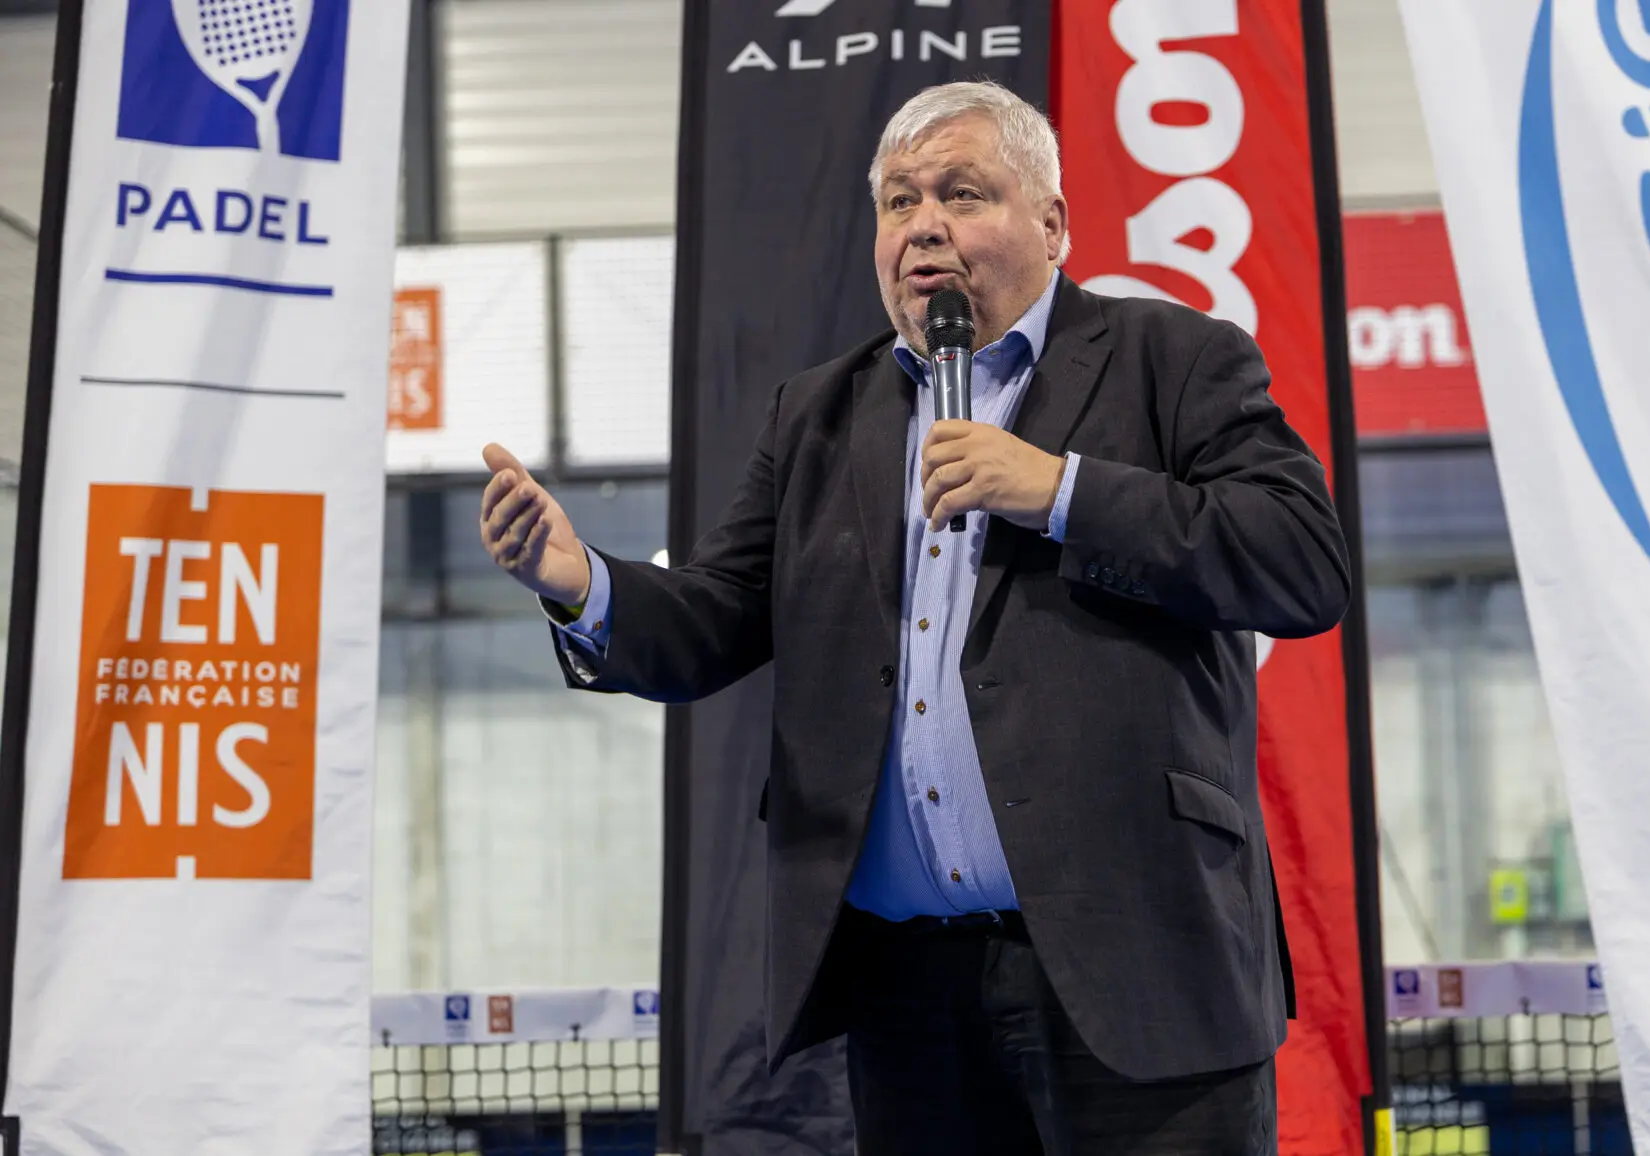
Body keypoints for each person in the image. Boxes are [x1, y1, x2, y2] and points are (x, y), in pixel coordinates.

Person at [478, 80, 1349, 1156]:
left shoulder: (1172, 359)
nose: (923, 225)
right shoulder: (820, 412)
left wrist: (1060, 490)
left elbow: (1301, 563)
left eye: (961, 193)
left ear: (1051, 225)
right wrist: (580, 582)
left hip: (1139, 969)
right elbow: (716, 615)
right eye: (898, 201)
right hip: (908, 996)